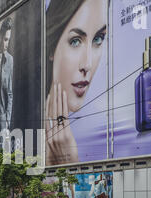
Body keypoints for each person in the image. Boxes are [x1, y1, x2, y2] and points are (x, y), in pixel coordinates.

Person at [45, 0, 107, 165]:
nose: (87, 64)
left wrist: (70, 160)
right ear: (51, 47)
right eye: (75, 41)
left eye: (98, 39)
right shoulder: (26, 135)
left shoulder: (77, 140)